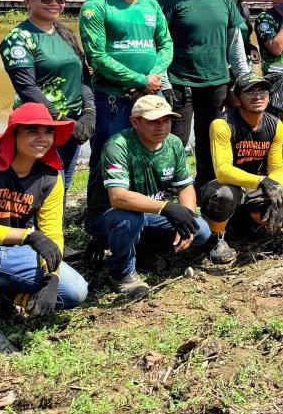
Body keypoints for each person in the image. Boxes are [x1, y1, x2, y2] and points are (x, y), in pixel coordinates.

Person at [0, 104, 88, 353]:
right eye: (32, 131)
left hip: (10, 253)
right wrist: (27, 235)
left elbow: (51, 235)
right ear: (13, 134)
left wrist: (52, 278)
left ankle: (2, 297)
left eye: (48, 132)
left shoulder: (50, 178)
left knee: (75, 291)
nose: (42, 138)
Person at [86, 95, 210, 298]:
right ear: (135, 122)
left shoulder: (174, 143)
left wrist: (185, 216)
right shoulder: (117, 145)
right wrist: (167, 208)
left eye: (166, 120)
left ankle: (142, 252)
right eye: (153, 121)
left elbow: (185, 187)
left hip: (150, 216)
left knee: (201, 230)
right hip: (112, 217)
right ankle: (121, 273)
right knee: (130, 218)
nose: (161, 127)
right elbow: (118, 197)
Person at [80, 0, 173, 202]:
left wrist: (152, 79)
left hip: (152, 95)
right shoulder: (96, 6)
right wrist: (139, 80)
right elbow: (96, 56)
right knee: (107, 154)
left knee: (150, 150)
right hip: (113, 98)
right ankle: (98, 215)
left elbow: (166, 44)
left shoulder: (151, 3)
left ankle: (146, 203)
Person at [158, 0, 251, 188]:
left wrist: (244, 76)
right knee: (175, 139)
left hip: (217, 81)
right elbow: (159, 40)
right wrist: (164, 80)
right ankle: (173, 188)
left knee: (211, 136)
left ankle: (207, 186)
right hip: (179, 82)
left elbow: (234, 40)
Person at [0, 0, 95, 189]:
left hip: (72, 125)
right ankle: (31, 225)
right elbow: (26, 88)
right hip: (39, 127)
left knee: (63, 183)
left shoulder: (64, 34)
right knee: (38, 185)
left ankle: (55, 224)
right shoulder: (19, 38)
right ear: (28, 1)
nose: (54, 3)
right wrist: (61, 120)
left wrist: (89, 113)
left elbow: (82, 76)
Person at [198, 74, 283, 265]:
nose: (258, 96)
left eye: (262, 91)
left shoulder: (276, 125)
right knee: (225, 196)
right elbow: (223, 171)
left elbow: (276, 167)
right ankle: (216, 236)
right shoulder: (222, 124)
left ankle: (244, 222)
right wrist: (262, 181)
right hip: (220, 185)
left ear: (269, 97)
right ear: (236, 99)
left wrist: (278, 195)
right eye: (249, 92)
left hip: (253, 187)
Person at [221, 0, 259, 64]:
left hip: (242, 66)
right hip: (222, 68)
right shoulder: (217, 10)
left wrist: (251, 48)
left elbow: (245, 39)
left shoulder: (244, 10)